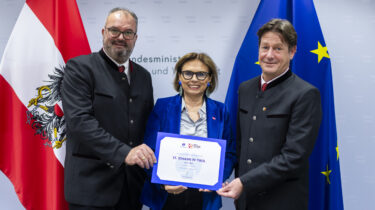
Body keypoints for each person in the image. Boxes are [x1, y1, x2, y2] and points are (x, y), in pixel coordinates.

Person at [217, 19, 322, 210]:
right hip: (246, 200)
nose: (269, 55)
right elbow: (241, 145)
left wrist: (244, 182)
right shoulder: (246, 88)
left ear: (292, 51)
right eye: (265, 47)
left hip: (282, 201)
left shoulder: (305, 94)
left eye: (278, 48)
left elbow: (293, 157)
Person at [61, 8, 156, 210]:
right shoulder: (79, 68)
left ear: (135, 37)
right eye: (114, 30)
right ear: (103, 32)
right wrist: (124, 153)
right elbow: (79, 121)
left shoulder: (143, 76)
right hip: (90, 189)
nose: (121, 37)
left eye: (128, 32)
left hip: (131, 189)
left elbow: (148, 126)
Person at [140, 52, 236, 210]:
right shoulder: (163, 107)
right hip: (167, 196)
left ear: (210, 78)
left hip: (204, 197)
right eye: (188, 73)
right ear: (179, 76)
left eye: (201, 74)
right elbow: (148, 151)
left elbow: (230, 153)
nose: (194, 79)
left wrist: (216, 179)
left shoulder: (220, 111)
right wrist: (163, 183)